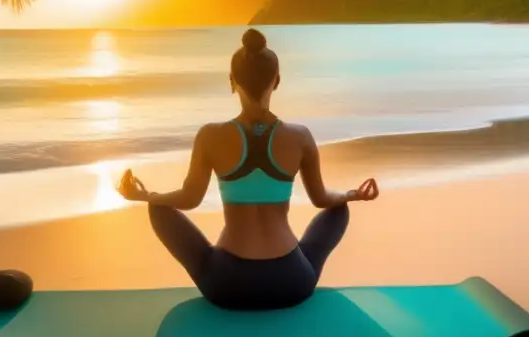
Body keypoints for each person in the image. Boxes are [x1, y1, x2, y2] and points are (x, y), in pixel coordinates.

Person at [117, 28, 379, 311]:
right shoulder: (300, 137)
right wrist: (352, 194)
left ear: (232, 82)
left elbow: (189, 199)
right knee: (339, 208)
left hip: (228, 285)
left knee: (158, 207)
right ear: (277, 82)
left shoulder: (210, 136)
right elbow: (322, 200)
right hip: (291, 283)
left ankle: (157, 207)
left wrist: (146, 196)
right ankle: (303, 261)